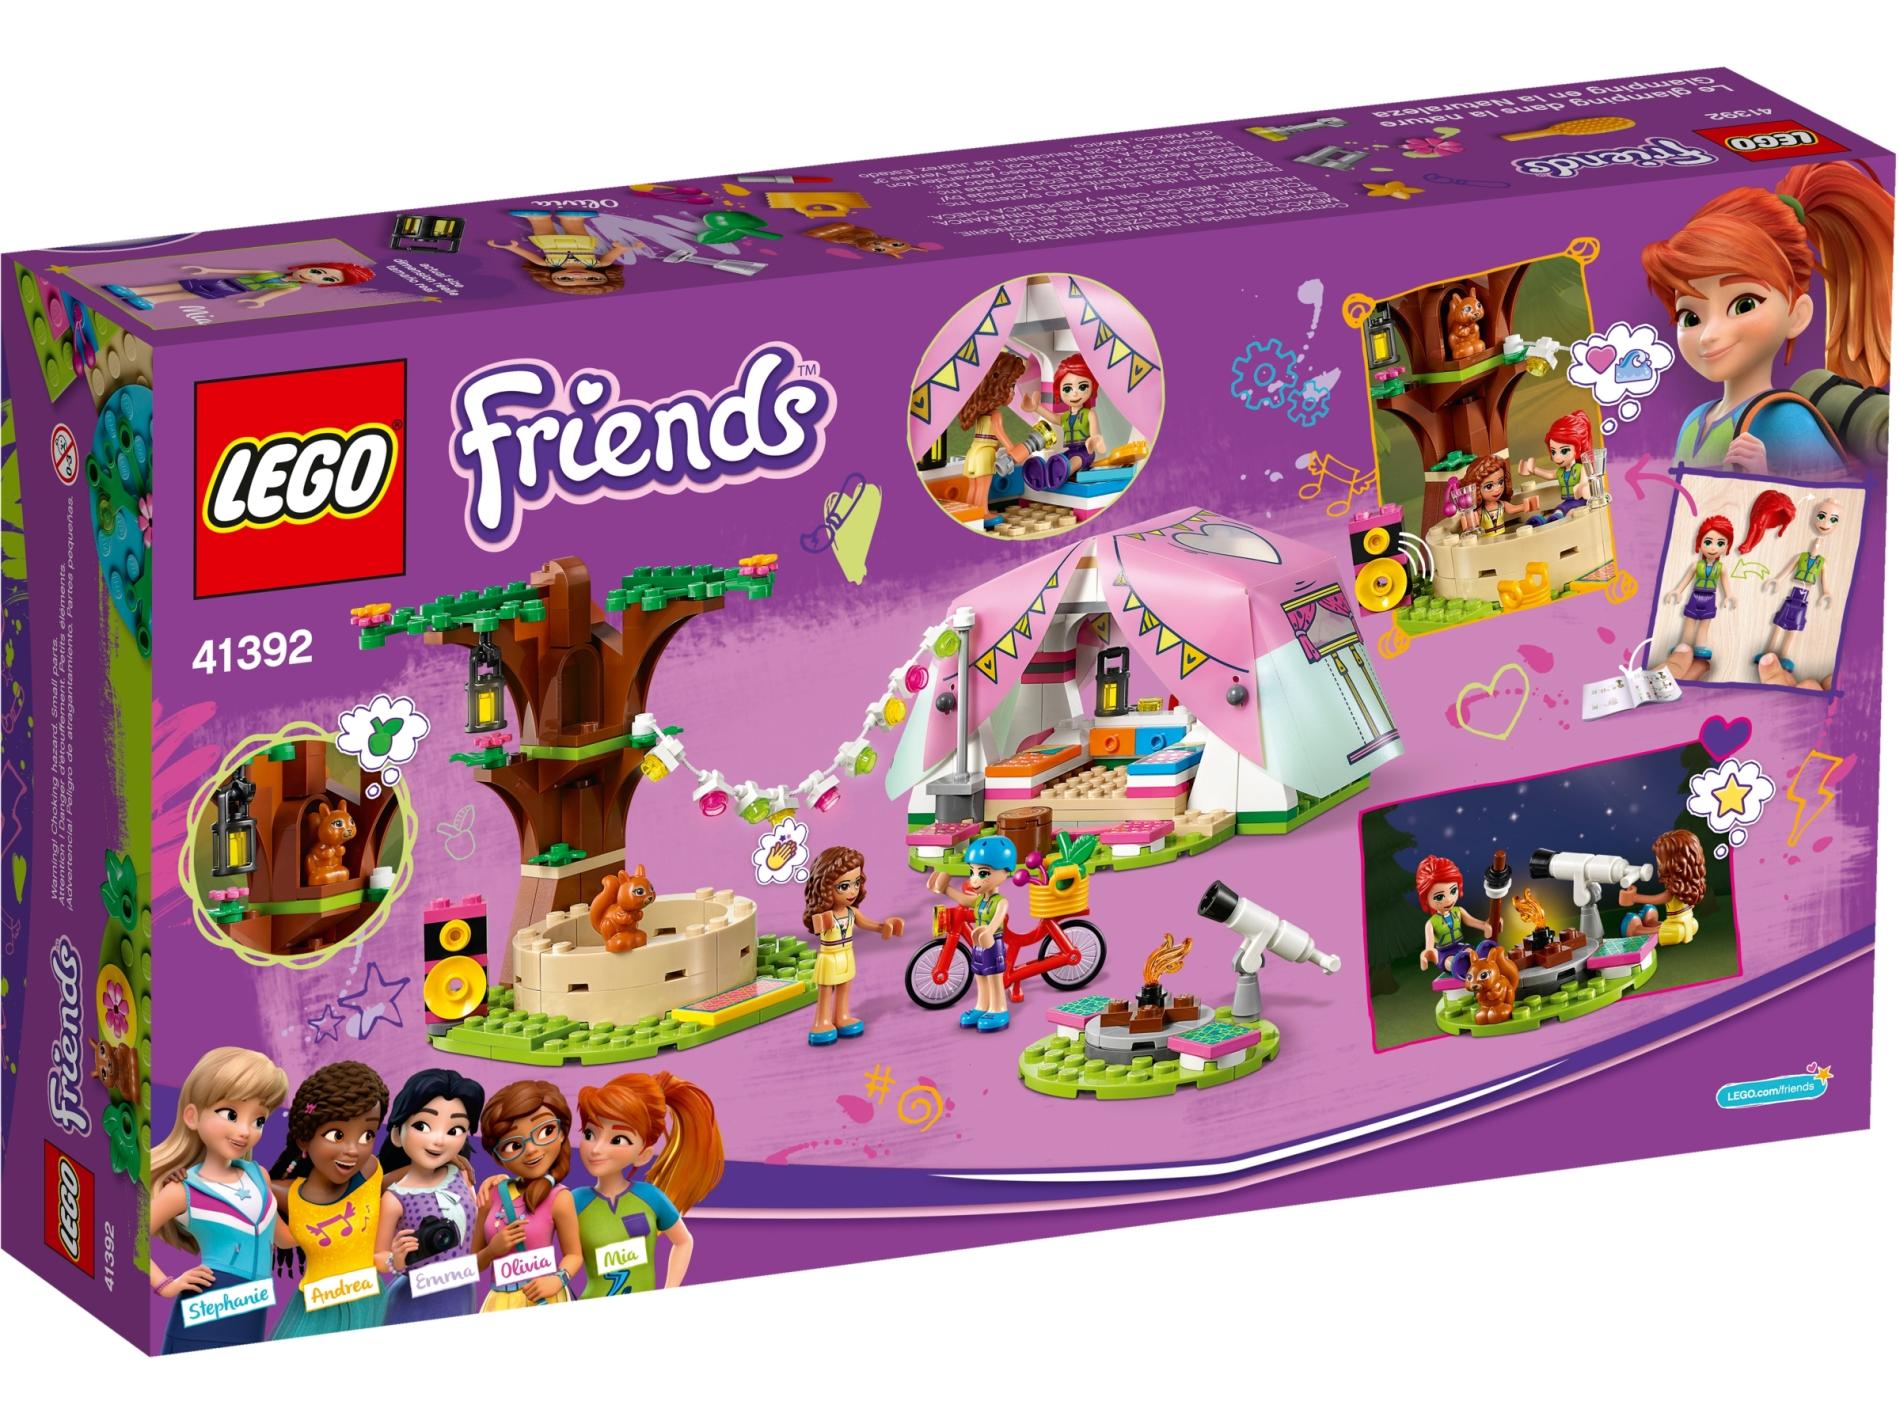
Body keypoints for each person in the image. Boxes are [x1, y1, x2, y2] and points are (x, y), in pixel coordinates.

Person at [1641, 161, 1892, 477]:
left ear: (1797, 315)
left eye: (1743, 304)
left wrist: (1763, 476)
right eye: (1690, 317)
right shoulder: (1693, 422)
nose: (1709, 334)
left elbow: (1833, 503)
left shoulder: (1786, 420)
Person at [148, 1047, 290, 1353]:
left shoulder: (259, 1176)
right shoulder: (184, 1189)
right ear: (192, 1116)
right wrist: (164, 1284)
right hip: (205, 1311)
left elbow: (284, 1238)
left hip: (254, 1312)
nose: (245, 1131)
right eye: (231, 1115)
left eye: (259, 1120)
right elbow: (130, 1237)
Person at [571, 1072, 724, 1297]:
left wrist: (669, 1292)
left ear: (643, 1155)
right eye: (589, 1133)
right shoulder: (575, 1201)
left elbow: (683, 1242)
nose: (596, 1149)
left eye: (617, 1139)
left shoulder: (650, 1197)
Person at [375, 1068, 485, 1324]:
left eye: (454, 1130)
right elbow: (377, 1256)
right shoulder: (395, 1197)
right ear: (397, 1134)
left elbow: (479, 1226)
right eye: (422, 1126)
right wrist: (395, 1259)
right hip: (414, 1299)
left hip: (463, 1291)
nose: (438, 1140)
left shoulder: (462, 1175)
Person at [801, 846, 903, 1046]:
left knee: (844, 987)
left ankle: (842, 1016)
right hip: (829, 956)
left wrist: (885, 927)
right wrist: (818, 917)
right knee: (826, 990)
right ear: (825, 887)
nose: (853, 891)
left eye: (856, 883)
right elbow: (815, 925)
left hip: (847, 954)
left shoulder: (851, 912)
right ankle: (822, 1021)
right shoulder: (826, 915)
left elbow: (869, 924)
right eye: (844, 886)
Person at [927, 834, 1016, 1031]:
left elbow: (997, 919)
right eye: (972, 872)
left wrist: (989, 931)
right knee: (980, 975)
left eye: (982, 873)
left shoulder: (1001, 901)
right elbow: (964, 900)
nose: (974, 879)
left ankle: (999, 1009)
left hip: (992, 942)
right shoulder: (980, 900)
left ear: (1004, 872)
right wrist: (945, 889)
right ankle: (982, 1006)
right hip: (978, 943)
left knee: (994, 977)